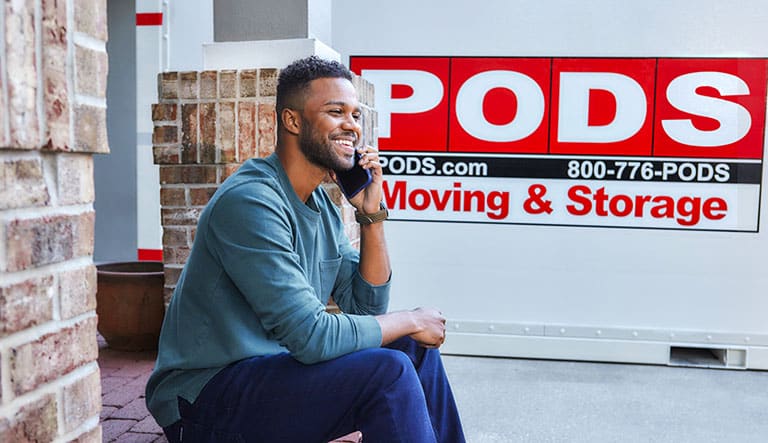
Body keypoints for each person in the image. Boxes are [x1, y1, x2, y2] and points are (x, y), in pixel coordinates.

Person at [145, 56, 465, 443]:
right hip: (205, 399)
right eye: (336, 112)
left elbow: (366, 309)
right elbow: (312, 337)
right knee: (388, 372)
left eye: (355, 114)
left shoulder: (321, 206)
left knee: (410, 349)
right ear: (292, 121)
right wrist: (412, 318)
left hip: (273, 375)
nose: (352, 125)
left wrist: (371, 217)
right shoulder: (251, 202)